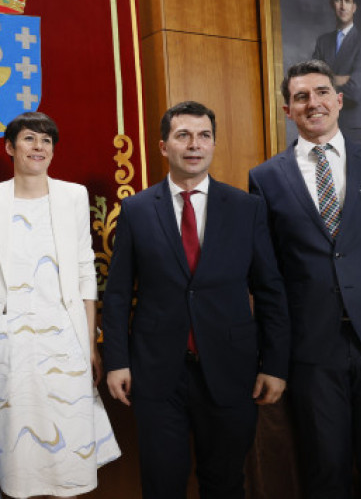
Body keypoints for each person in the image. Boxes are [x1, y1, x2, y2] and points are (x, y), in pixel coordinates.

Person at [103, 101, 290, 498]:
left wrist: (274, 364)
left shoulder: (246, 207)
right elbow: (118, 295)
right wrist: (117, 360)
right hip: (157, 374)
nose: (194, 145)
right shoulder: (136, 210)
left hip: (230, 369)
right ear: (163, 146)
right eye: (183, 135)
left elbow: (270, 291)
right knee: (162, 485)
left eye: (204, 135)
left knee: (224, 484)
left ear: (213, 144)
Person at [249, 60, 361, 499]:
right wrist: (274, 360)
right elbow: (270, 279)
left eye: (321, 92)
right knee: (324, 473)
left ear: (338, 101)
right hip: (314, 350)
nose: (312, 102)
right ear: (288, 110)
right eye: (301, 96)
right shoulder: (264, 179)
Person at [0, 111, 120, 498]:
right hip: (8, 339)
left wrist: (89, 344)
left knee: (67, 443)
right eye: (29, 139)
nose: (38, 147)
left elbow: (86, 272)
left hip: (63, 339)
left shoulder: (72, 195)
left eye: (46, 141)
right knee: (16, 445)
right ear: (10, 147)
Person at [312, 0, 361, 142]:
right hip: (326, 129)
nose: (343, 6)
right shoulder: (322, 42)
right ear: (331, 3)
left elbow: (354, 92)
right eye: (338, 0)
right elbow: (312, 82)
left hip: (354, 130)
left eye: (347, 1)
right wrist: (341, 78)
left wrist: (325, 82)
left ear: (354, 7)